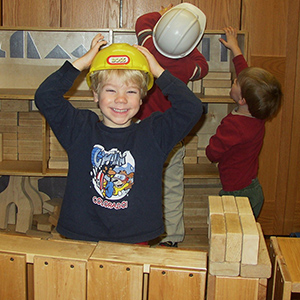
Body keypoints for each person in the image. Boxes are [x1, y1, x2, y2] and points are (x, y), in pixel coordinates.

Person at [34, 34, 204, 244]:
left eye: (131, 91)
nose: (121, 99)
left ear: (142, 97)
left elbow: (192, 108)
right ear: (95, 95)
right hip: (83, 236)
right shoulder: (80, 130)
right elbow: (45, 96)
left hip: (135, 238)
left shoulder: (153, 135)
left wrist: (159, 71)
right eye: (111, 90)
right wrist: (84, 62)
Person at [135, 3, 209, 247]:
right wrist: (188, 43)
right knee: (172, 186)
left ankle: (138, 232)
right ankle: (172, 238)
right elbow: (203, 67)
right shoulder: (189, 65)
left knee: (139, 184)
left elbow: (143, 21)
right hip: (171, 134)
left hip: (142, 130)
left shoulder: (147, 47)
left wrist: (166, 14)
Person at [206, 27, 282, 219]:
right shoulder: (258, 113)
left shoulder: (233, 126)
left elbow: (213, 152)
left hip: (236, 194)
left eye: (235, 83)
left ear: (242, 100)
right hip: (252, 188)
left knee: (233, 237)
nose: (234, 79)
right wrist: (236, 49)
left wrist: (211, 150)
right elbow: (247, 77)